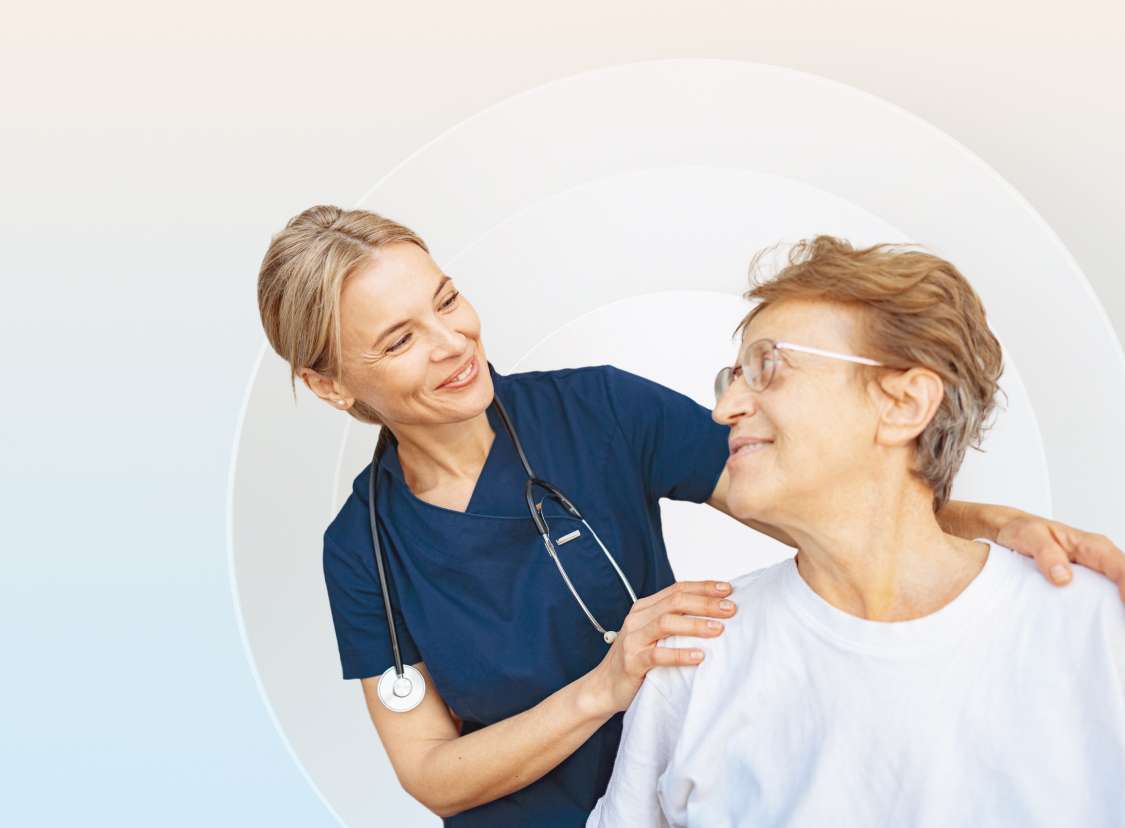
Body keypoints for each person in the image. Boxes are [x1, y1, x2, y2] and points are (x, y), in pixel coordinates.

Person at [255, 207, 1125, 827]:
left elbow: (823, 489)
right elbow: (432, 776)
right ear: (333, 385)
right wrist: (609, 683)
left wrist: (989, 525)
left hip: (706, 781)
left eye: (445, 300)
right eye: (399, 338)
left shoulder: (597, 412)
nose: (451, 342)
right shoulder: (360, 549)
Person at [588, 237, 1125, 827]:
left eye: (769, 366)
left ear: (903, 404)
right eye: (733, 377)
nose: (725, 409)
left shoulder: (1094, 626)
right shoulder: (697, 654)